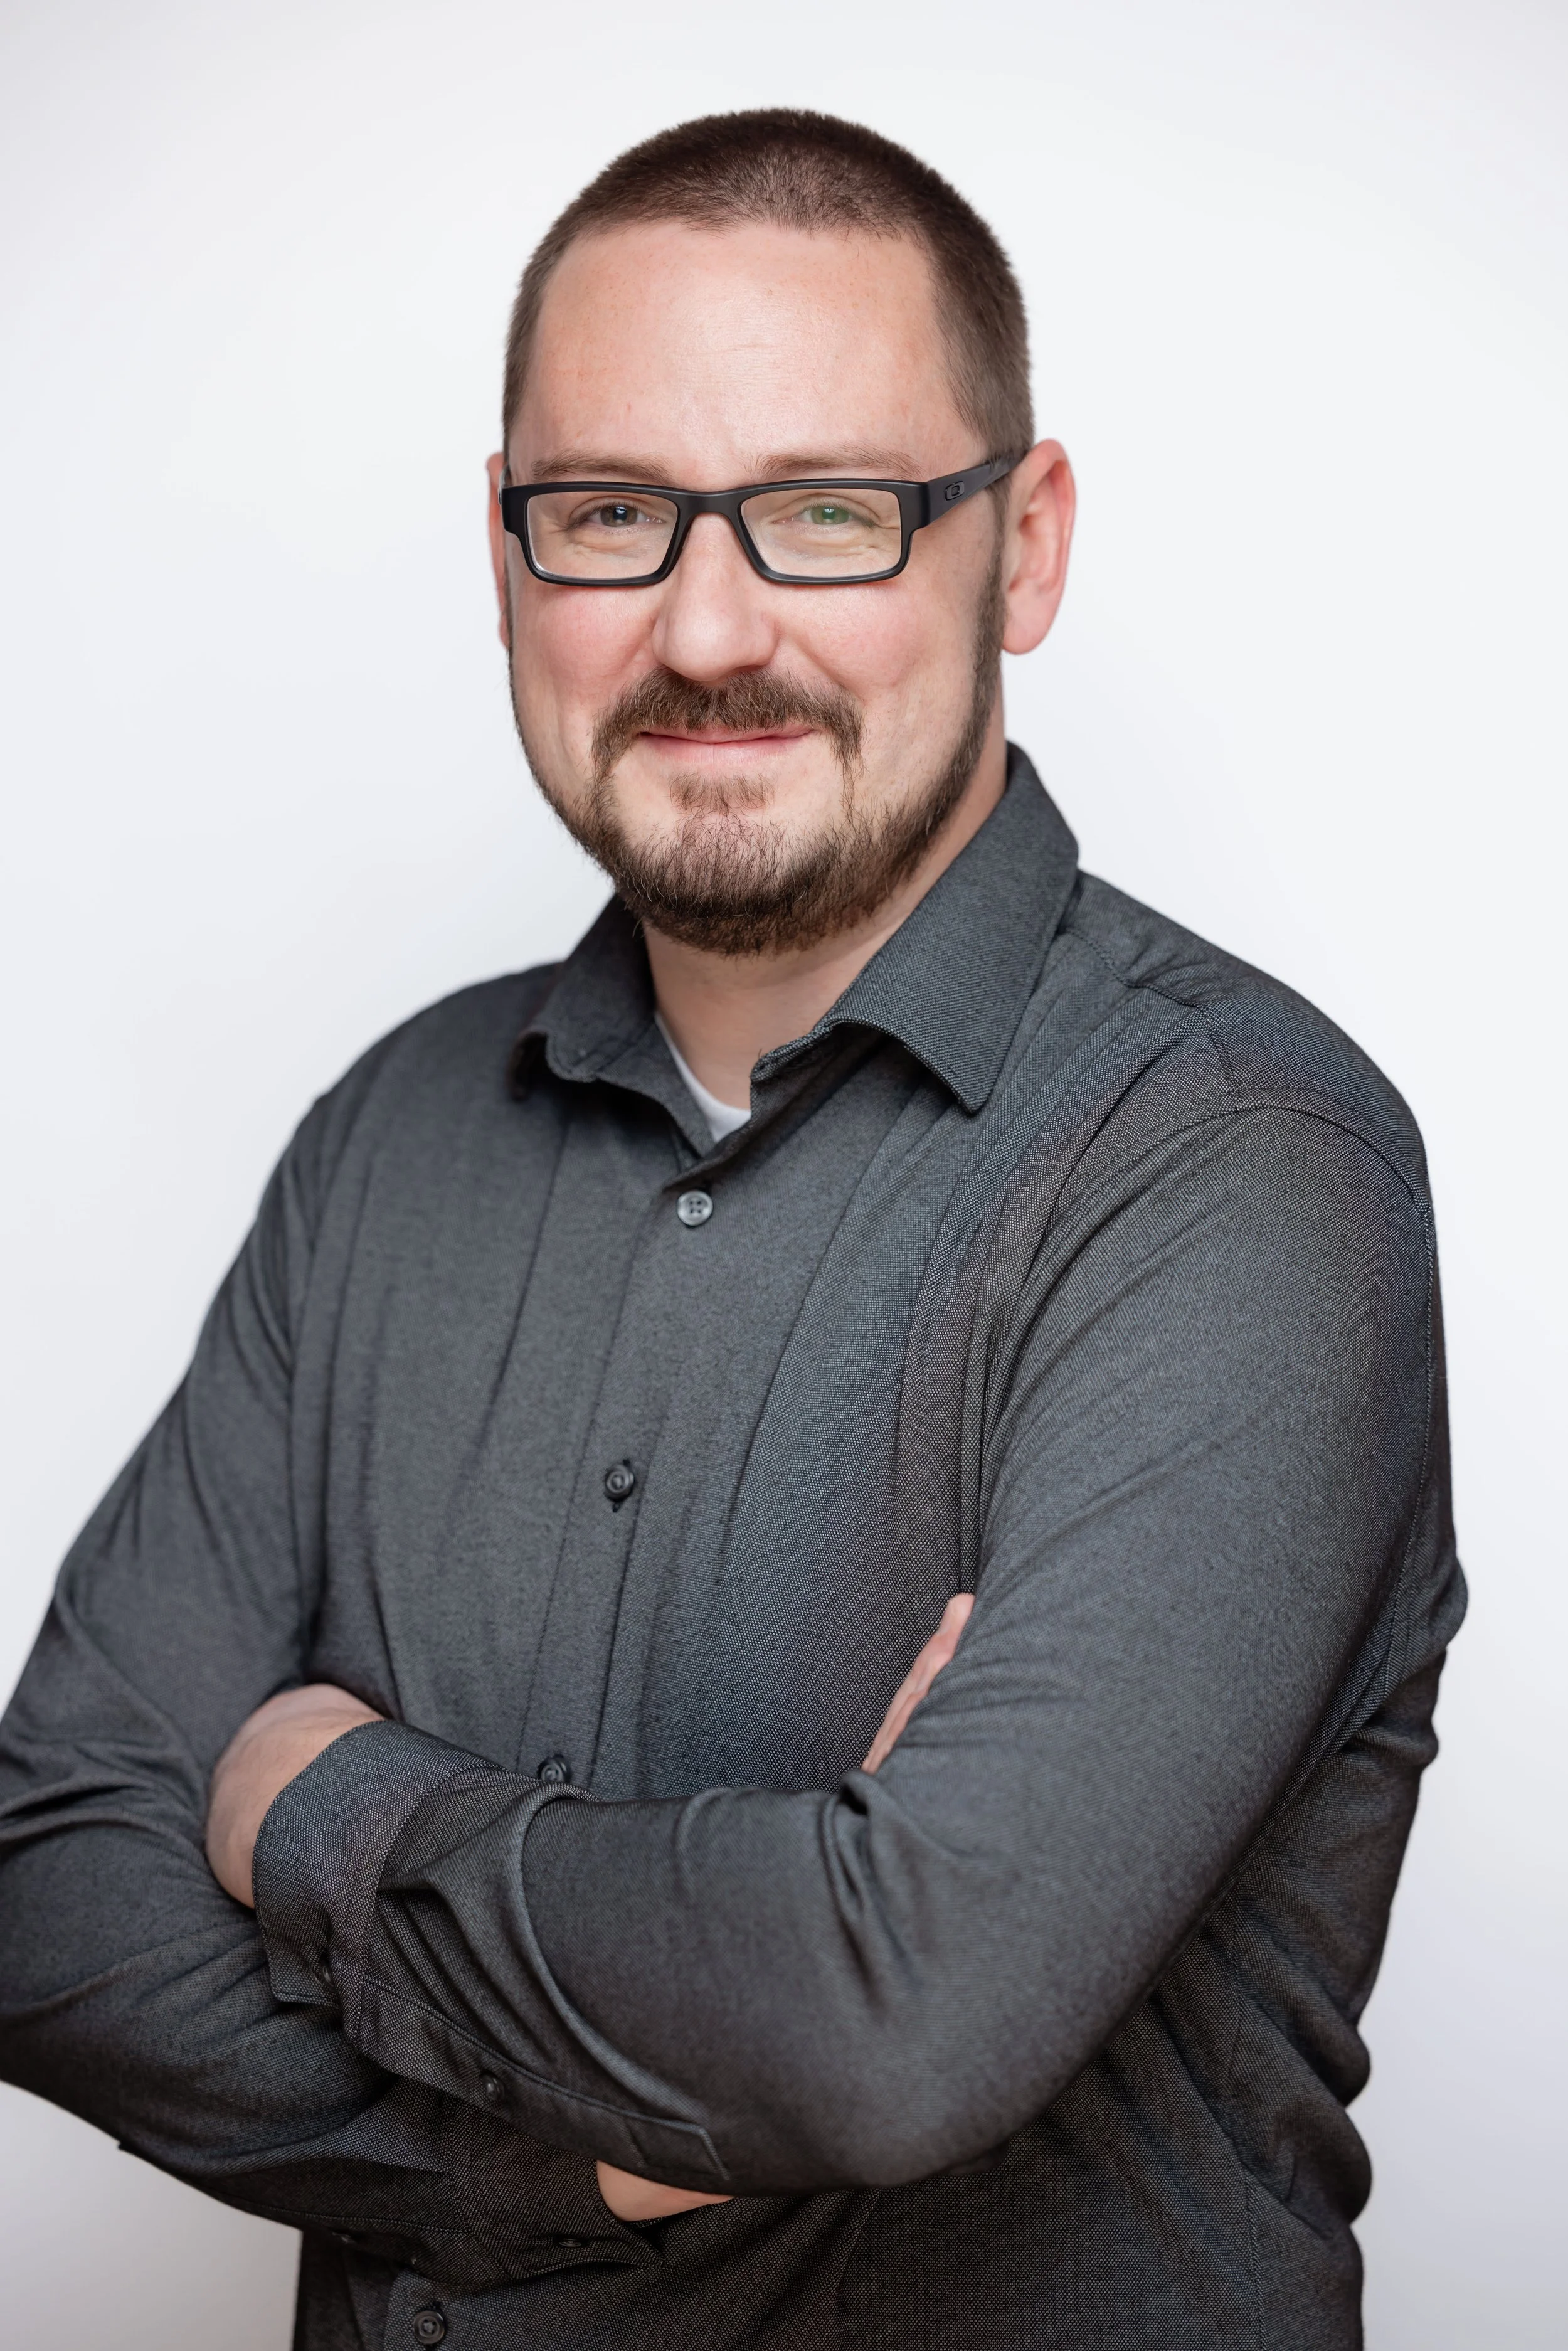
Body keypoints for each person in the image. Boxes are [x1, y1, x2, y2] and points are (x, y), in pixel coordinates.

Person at [0, 109, 1464, 2351]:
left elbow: (884, 2021)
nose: (704, 627)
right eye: (607, 515)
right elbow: (48, 1884)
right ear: (504, 558)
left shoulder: (1241, 1165)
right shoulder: (386, 1139)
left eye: (824, 512)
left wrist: (318, 1803)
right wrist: (564, 2148)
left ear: (1024, 543)